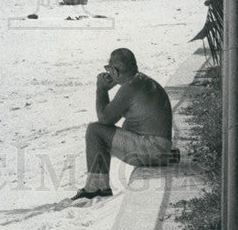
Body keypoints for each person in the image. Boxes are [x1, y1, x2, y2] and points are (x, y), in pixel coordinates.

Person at [72, 48, 178, 200]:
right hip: (162, 147)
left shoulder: (129, 87)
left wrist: (101, 89)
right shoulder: (142, 81)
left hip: (153, 148)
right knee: (126, 126)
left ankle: (96, 188)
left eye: (109, 69)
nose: (108, 72)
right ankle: (164, 157)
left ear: (114, 71)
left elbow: (104, 119)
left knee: (94, 130)